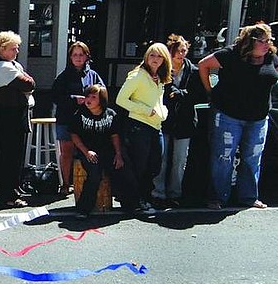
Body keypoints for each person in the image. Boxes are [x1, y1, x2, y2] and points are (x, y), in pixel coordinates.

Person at [198, 22, 278, 210]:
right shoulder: (230, 54)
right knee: (223, 156)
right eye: (262, 41)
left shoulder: (272, 58)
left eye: (269, 40)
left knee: (253, 158)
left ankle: (249, 197)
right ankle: (217, 197)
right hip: (228, 114)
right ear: (250, 41)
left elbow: (273, 77)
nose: (267, 44)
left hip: (258, 117)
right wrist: (210, 91)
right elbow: (203, 64)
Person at [151, 34, 206, 209]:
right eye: (176, 51)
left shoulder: (194, 71)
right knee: (162, 157)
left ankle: (175, 193)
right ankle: (158, 192)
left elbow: (201, 94)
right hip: (165, 119)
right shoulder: (163, 70)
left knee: (179, 160)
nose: (180, 54)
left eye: (183, 51)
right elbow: (161, 92)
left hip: (185, 120)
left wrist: (181, 94)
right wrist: (172, 92)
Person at [115, 42, 171, 212]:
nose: (155, 59)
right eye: (152, 55)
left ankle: (144, 198)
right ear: (146, 57)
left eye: (159, 56)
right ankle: (132, 202)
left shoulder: (159, 78)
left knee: (155, 165)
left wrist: (163, 112)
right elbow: (121, 100)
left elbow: (158, 101)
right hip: (139, 126)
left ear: (164, 59)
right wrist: (146, 111)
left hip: (156, 126)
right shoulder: (137, 75)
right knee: (139, 167)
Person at [69, 84, 139, 214]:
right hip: (88, 152)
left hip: (107, 151)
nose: (89, 100)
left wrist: (118, 154)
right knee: (94, 175)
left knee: (123, 170)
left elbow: (115, 135)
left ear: (101, 99)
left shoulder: (110, 114)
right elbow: (74, 134)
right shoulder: (80, 114)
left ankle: (131, 205)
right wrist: (86, 151)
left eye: (93, 97)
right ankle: (83, 210)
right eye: (87, 96)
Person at [51, 41, 105, 195]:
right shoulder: (63, 76)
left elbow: (103, 93)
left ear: (87, 56)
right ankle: (66, 184)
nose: (78, 58)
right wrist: (74, 99)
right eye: (75, 54)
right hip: (66, 119)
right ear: (70, 57)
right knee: (67, 152)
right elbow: (55, 97)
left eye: (81, 54)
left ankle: (84, 182)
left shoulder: (93, 75)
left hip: (87, 120)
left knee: (88, 151)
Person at [0, 30, 36, 207]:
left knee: (11, 155)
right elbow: (29, 84)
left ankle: (8, 190)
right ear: (2, 49)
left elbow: (27, 83)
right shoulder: (4, 67)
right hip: (9, 115)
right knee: (11, 156)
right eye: (12, 49)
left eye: (17, 48)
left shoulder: (9, 65)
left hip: (12, 113)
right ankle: (9, 195)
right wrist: (27, 82)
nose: (16, 52)